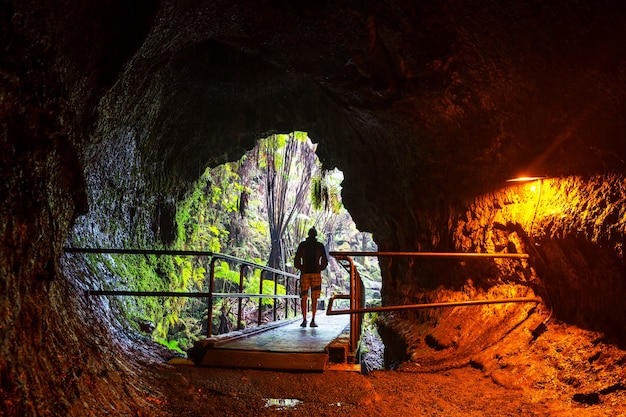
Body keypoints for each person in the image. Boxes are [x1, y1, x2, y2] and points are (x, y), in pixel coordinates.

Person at [293, 227, 328, 327]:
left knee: (304, 297)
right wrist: (319, 268)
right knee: (314, 297)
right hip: (316, 274)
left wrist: (302, 268)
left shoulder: (302, 245)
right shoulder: (319, 246)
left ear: (308, 234)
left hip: (305, 274)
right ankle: (313, 319)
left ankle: (304, 320)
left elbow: (296, 260)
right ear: (316, 235)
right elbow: (325, 261)